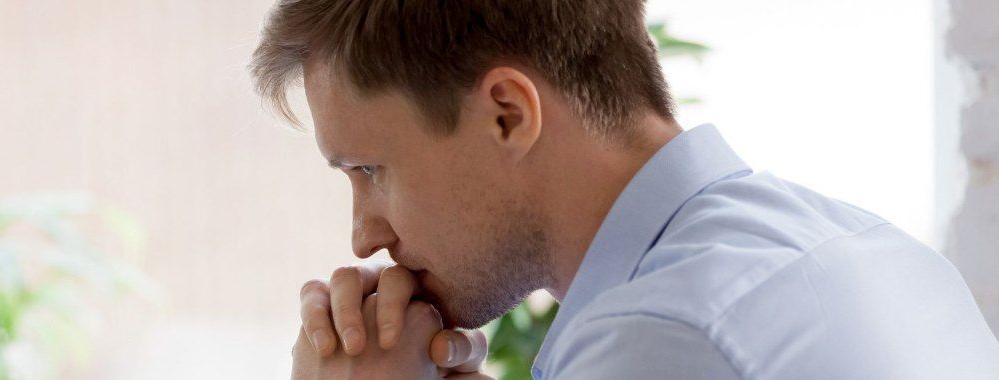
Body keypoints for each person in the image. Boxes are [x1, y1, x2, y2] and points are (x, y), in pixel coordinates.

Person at [248, 0, 999, 379]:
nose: (364, 237)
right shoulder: (876, 250)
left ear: (507, 115)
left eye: (371, 170)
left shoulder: (659, 336)